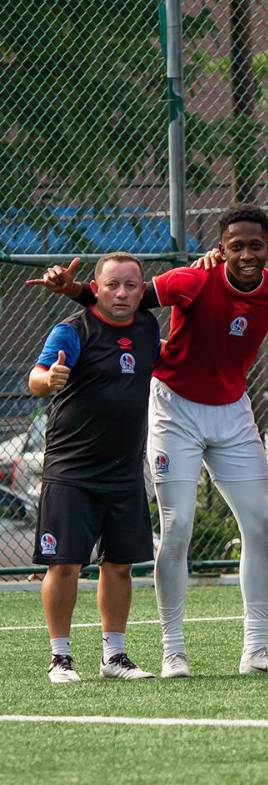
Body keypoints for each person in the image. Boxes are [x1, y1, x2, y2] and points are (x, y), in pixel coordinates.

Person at [26, 206, 268, 678]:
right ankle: (173, 651)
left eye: (256, 246)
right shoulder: (191, 279)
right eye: (236, 246)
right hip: (175, 408)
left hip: (233, 411)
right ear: (221, 248)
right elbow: (129, 298)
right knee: (179, 523)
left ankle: (255, 650)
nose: (246, 254)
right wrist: (73, 290)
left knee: (262, 520)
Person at [28, 252, 160, 682]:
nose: (121, 294)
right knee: (64, 564)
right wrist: (49, 381)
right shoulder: (72, 329)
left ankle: (114, 657)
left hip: (124, 471)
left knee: (119, 565)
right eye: (112, 286)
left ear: (142, 290)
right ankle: (60, 658)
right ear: (96, 289)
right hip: (71, 471)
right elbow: (36, 377)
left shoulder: (147, 327)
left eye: (130, 286)